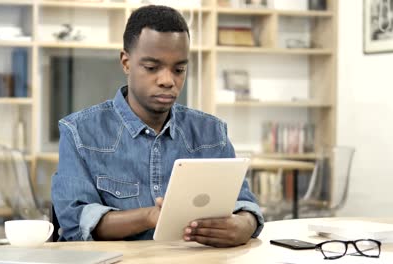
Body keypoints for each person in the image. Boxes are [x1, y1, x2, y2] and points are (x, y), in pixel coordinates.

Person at [51, 5, 264, 248]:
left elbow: (245, 205)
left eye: (179, 69)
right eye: (152, 68)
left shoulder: (212, 133)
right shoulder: (78, 131)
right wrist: (149, 217)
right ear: (126, 62)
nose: (167, 81)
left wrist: (243, 226)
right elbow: (74, 222)